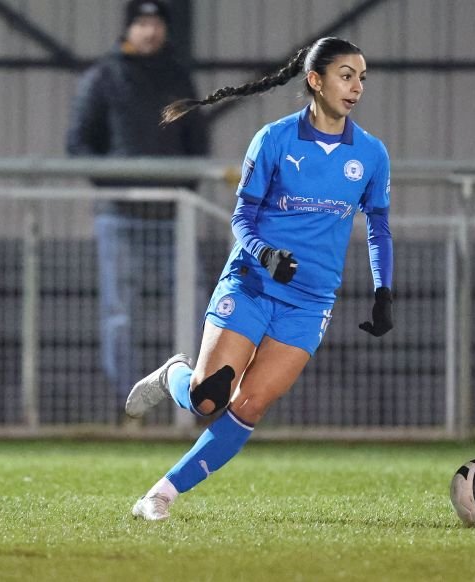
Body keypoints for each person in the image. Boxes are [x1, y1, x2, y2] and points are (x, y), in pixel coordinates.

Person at [124, 37, 394, 520]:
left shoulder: (371, 154)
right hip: (252, 281)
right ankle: (174, 376)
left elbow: (378, 227)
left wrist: (383, 290)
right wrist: (266, 254)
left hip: (310, 302)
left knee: (248, 406)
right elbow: (241, 218)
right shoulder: (274, 139)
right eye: (346, 75)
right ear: (316, 80)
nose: (356, 87)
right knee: (210, 399)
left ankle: (162, 494)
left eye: (362, 78)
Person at [66, 0, 209, 410]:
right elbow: (79, 143)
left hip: (173, 213)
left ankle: (196, 396)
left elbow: (196, 140)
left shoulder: (178, 76)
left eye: (156, 23)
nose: (150, 31)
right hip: (120, 215)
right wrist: (118, 181)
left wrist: (181, 183)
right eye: (142, 23)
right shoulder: (104, 77)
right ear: (129, 28)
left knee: (197, 306)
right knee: (121, 314)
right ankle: (128, 404)